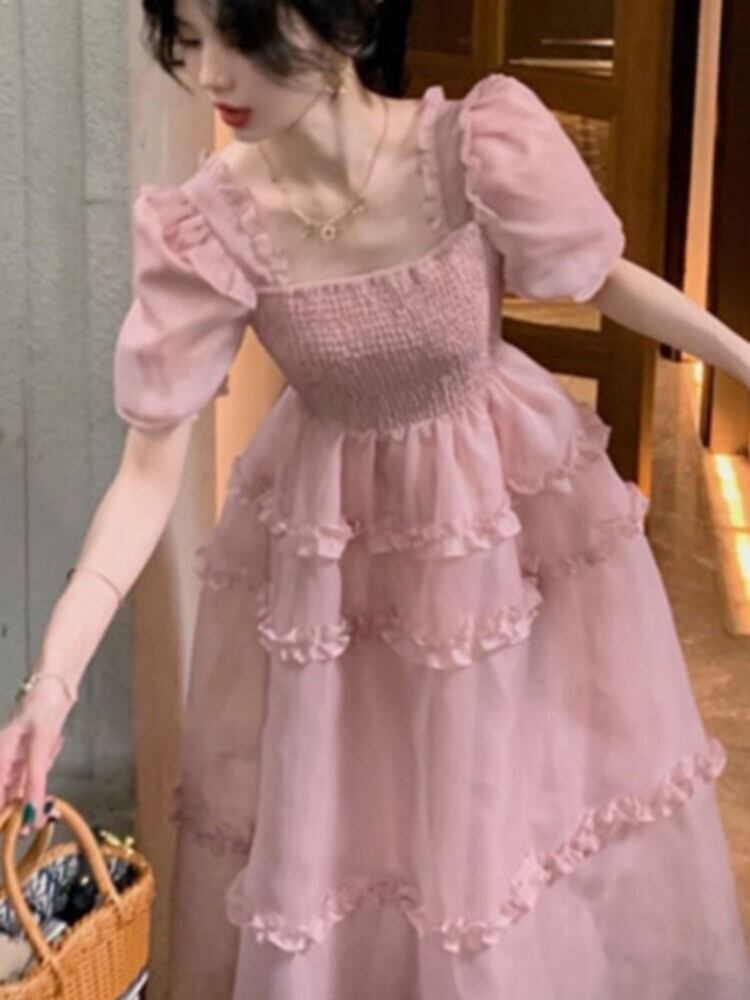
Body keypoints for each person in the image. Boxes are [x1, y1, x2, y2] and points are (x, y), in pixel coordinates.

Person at [2, 0, 750, 997]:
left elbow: (600, 278)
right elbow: (146, 477)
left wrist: (739, 357)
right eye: (187, 39)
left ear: (346, 21)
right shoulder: (209, 228)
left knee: (508, 824)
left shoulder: (473, 147)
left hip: (501, 541)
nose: (212, 75)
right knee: (364, 838)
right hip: (337, 574)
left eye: (243, 37)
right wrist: (50, 686)